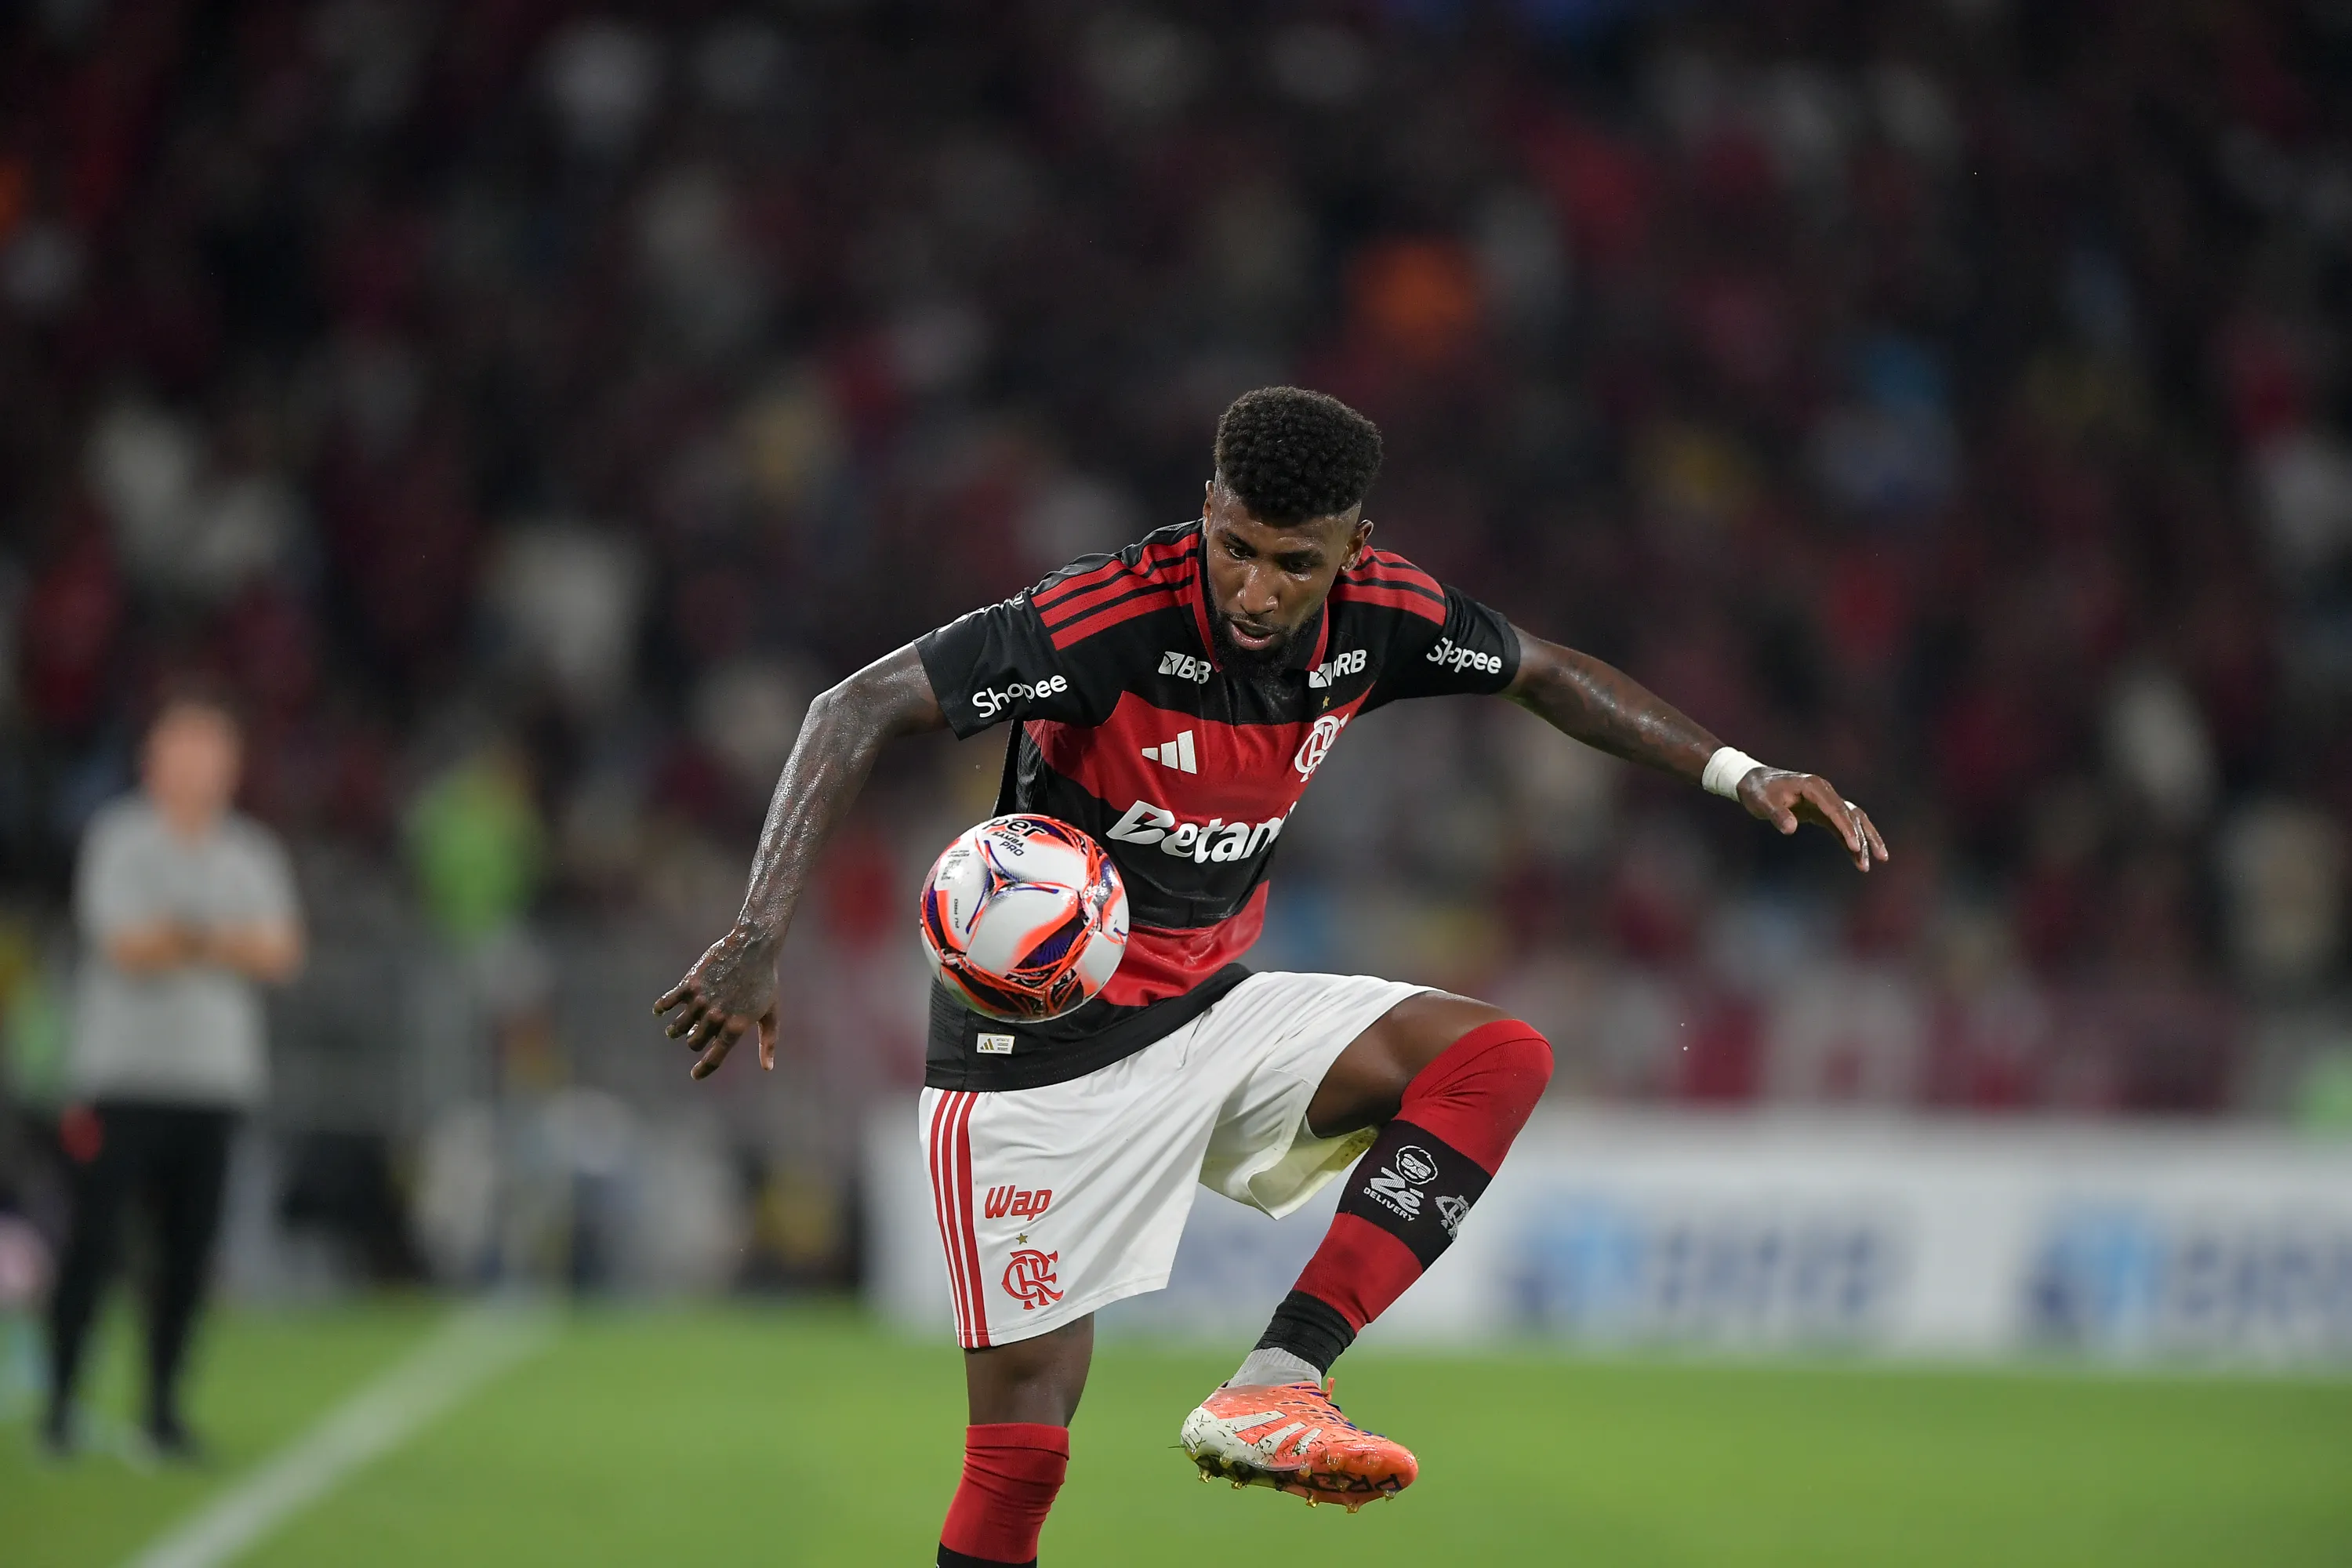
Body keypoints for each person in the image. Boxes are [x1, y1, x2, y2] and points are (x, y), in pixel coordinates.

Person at [655, 387, 1886, 1565]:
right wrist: (761, 932)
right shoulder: (1108, 621)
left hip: (1209, 1012)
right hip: (1028, 1065)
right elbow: (853, 706)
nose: (1255, 588)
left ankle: (1279, 1380)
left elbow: (1548, 674)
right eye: (1235, 547)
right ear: (1206, 505)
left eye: (1295, 563)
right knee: (1021, 1457)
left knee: (1495, 1057)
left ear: (1356, 547)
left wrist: (1738, 772)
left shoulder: (1385, 617)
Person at [43, 690, 304, 1459]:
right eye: (182, 748)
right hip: (119, 1079)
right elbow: (126, 945)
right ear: (152, 759)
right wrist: (223, 940)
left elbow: (282, 952)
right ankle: (61, 1404)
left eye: (211, 750)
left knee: (188, 1253)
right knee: (92, 1243)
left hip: (213, 1082)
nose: (197, 766)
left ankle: (160, 1408)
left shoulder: (252, 851)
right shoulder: (119, 838)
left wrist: (181, 937)